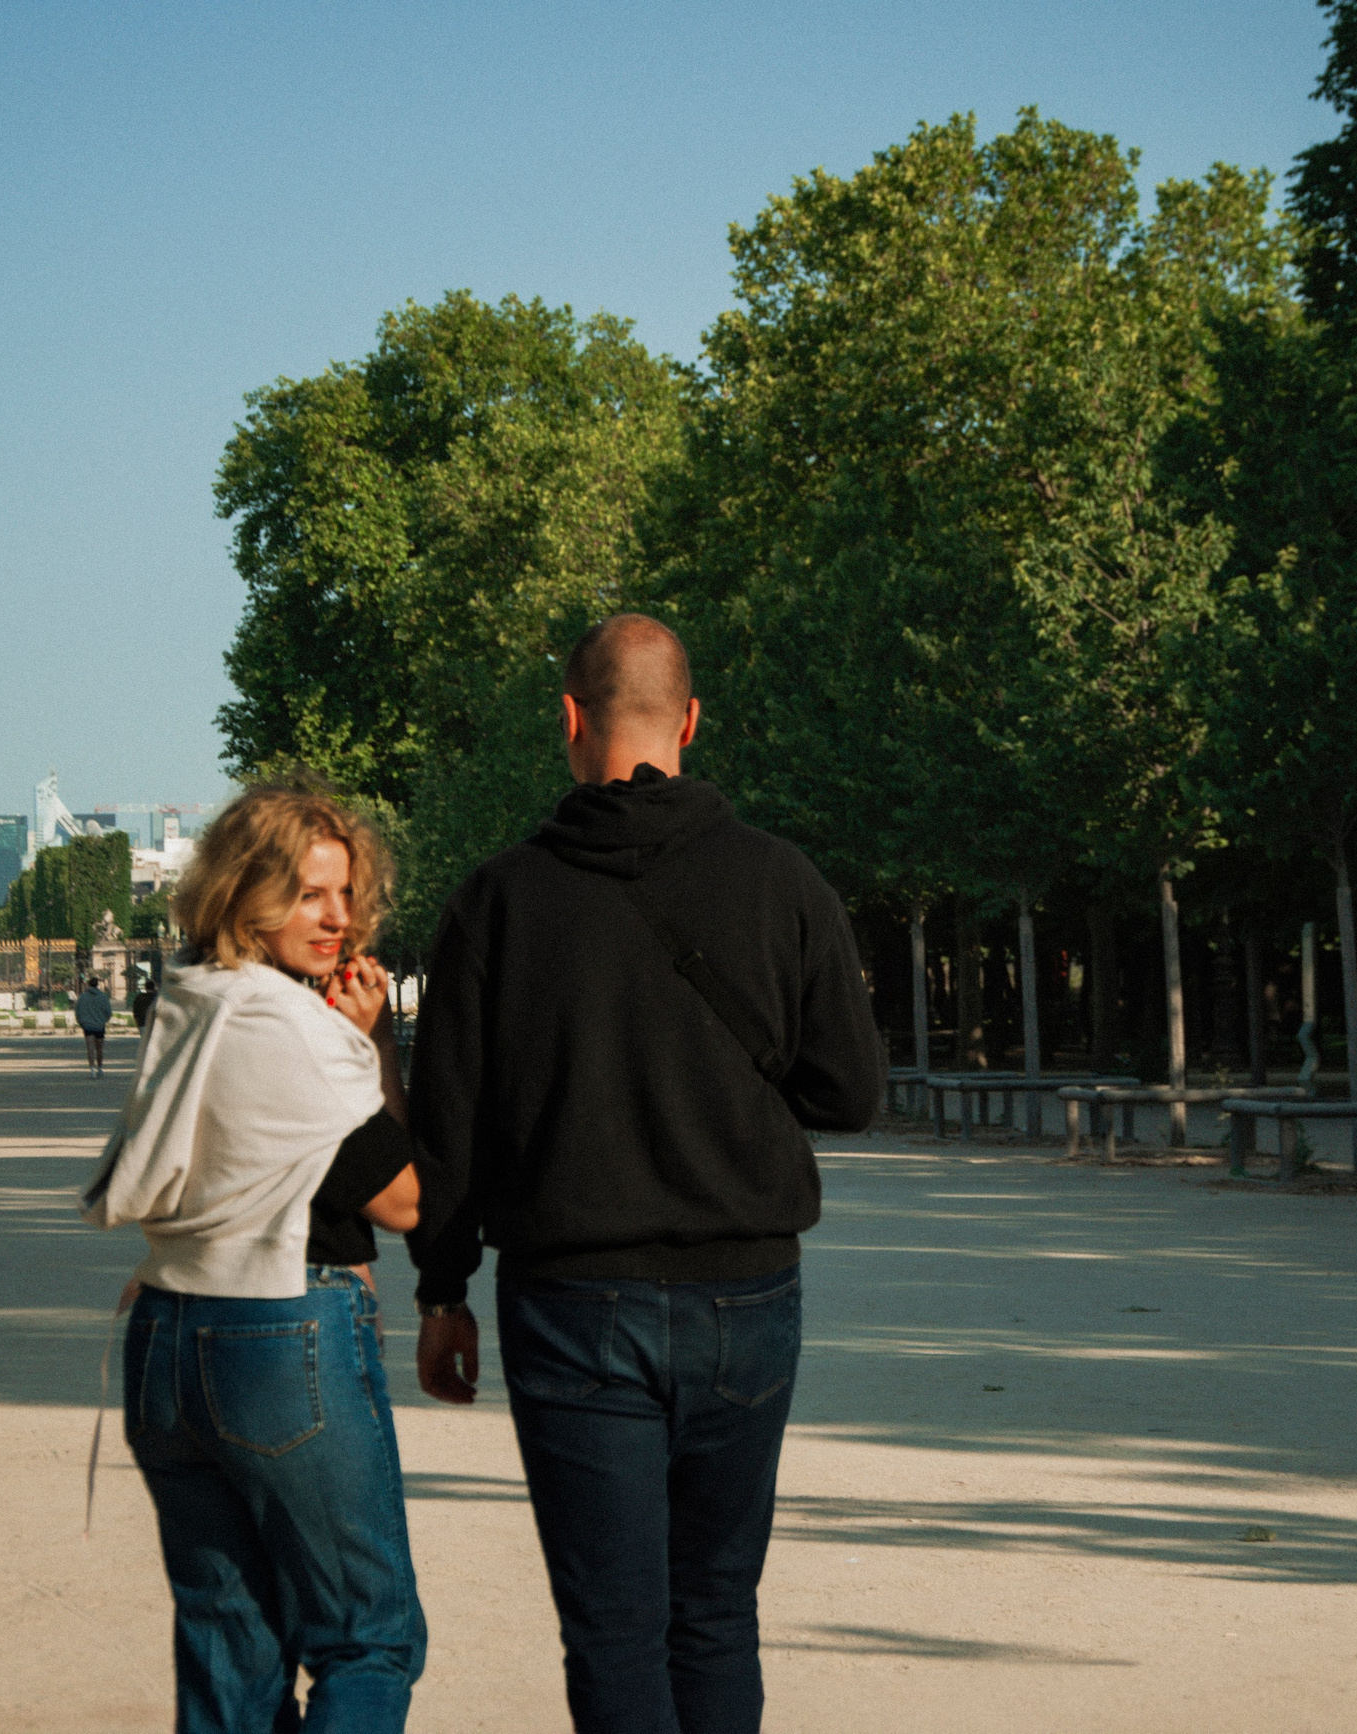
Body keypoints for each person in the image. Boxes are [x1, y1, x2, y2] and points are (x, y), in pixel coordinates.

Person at [408, 613, 885, 1734]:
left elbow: (452, 1130)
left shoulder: (499, 900)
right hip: (747, 1292)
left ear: (568, 720)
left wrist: (441, 1292)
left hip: (571, 1300)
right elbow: (848, 1094)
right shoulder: (783, 883)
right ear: (691, 721)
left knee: (613, 1629)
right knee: (716, 1613)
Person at [81, 779, 428, 1733]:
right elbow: (402, 1199)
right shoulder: (283, 1023)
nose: (338, 918)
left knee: (230, 1646)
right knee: (370, 1638)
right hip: (280, 1330)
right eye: (309, 893)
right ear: (246, 894)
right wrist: (376, 1046)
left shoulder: (188, 1002)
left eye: (347, 893)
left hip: (166, 1337)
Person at [75, 975, 113, 1074]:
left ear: (88, 984)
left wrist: (81, 1022)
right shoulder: (103, 997)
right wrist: (103, 1020)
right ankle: (100, 1067)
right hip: (100, 1026)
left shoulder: (83, 997)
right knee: (99, 1049)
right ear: (97, 985)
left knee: (90, 1048)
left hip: (87, 1026)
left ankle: (92, 1068)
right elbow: (108, 1012)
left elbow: (78, 1011)